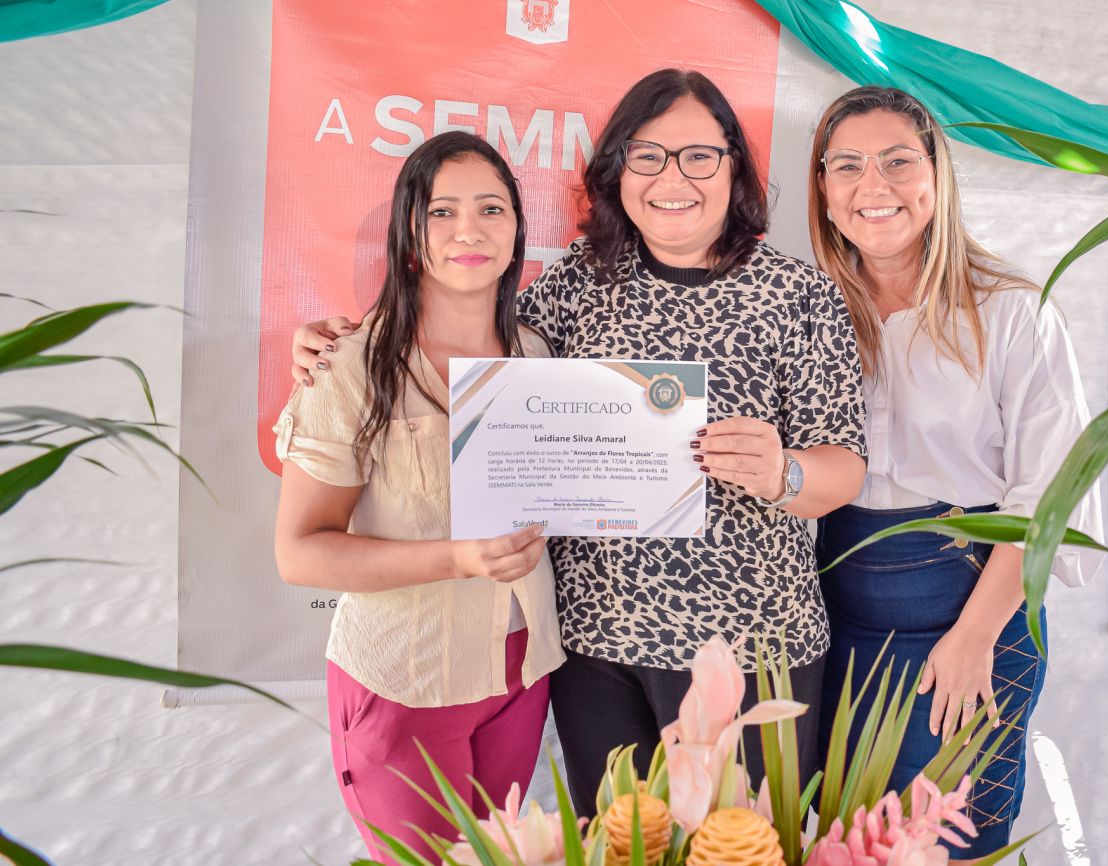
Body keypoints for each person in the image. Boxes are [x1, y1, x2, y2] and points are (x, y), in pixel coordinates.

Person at [290, 69, 868, 818]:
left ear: (734, 167)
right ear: (617, 170)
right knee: (616, 847)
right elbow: (466, 333)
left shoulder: (800, 296)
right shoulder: (574, 286)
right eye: (647, 155)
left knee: (739, 849)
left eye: (700, 156)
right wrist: (331, 343)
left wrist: (785, 472)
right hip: (596, 648)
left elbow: (845, 468)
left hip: (751, 647)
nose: (673, 178)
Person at [806, 86, 1102, 861]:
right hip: (838, 623)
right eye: (848, 166)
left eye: (898, 161)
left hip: (973, 613)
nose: (873, 185)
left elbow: (1051, 495)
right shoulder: (808, 312)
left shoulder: (1012, 310)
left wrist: (975, 638)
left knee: (944, 845)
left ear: (937, 176)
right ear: (824, 190)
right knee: (848, 843)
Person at [272, 131, 565, 864]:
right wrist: (458, 558)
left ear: (517, 232)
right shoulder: (349, 366)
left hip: (521, 674)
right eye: (442, 211)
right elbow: (300, 553)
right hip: (406, 682)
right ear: (409, 232)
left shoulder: (537, 355)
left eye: (492, 209)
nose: (470, 229)